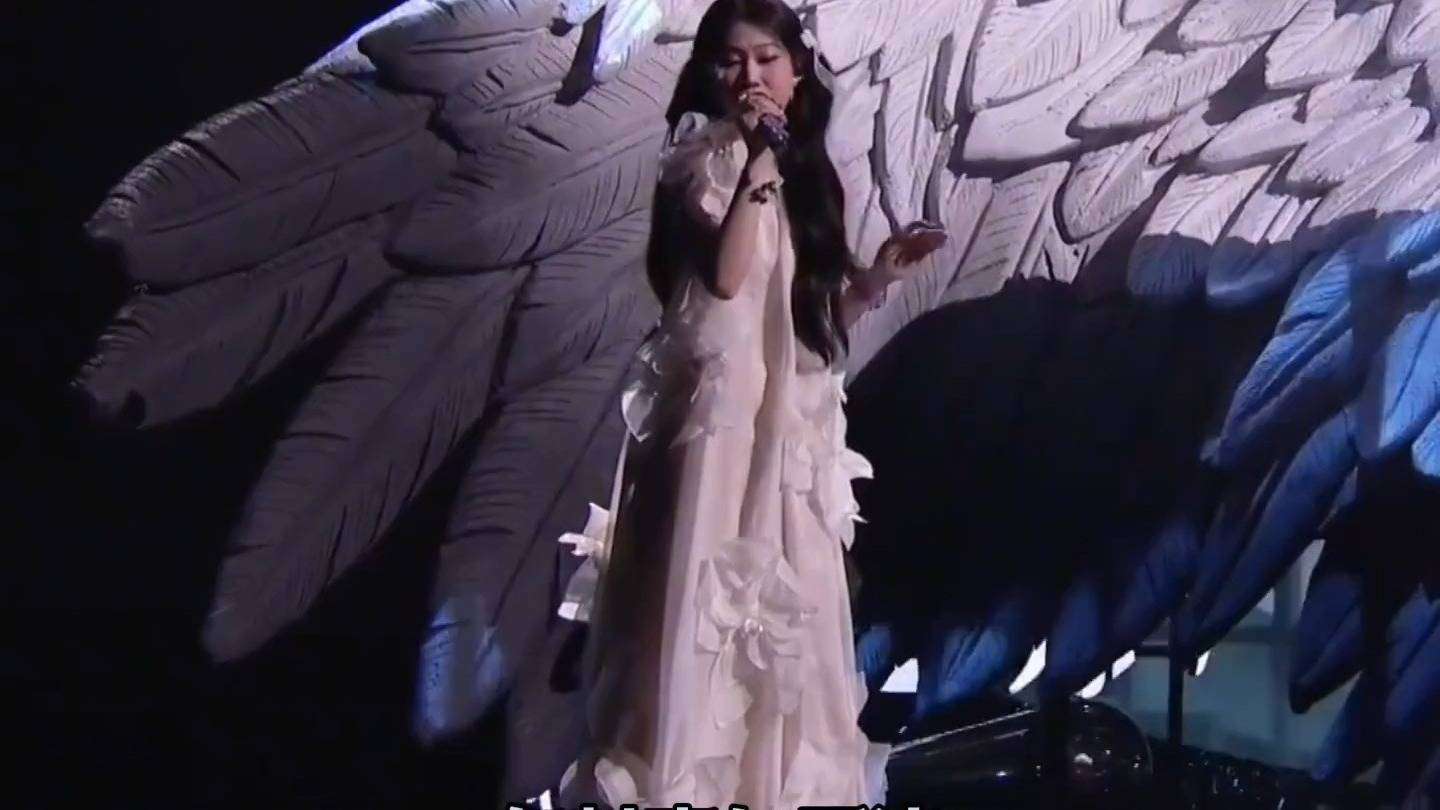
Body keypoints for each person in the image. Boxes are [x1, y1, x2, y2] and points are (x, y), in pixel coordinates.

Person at [555, 0, 947, 806]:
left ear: (797, 71)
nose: (750, 77)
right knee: (700, 625)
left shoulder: (811, 179)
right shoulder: (697, 165)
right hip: (717, 432)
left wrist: (875, 280)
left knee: (786, 643)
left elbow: (808, 330)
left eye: (766, 58)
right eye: (732, 61)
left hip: (789, 435)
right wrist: (760, 162)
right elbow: (727, 280)